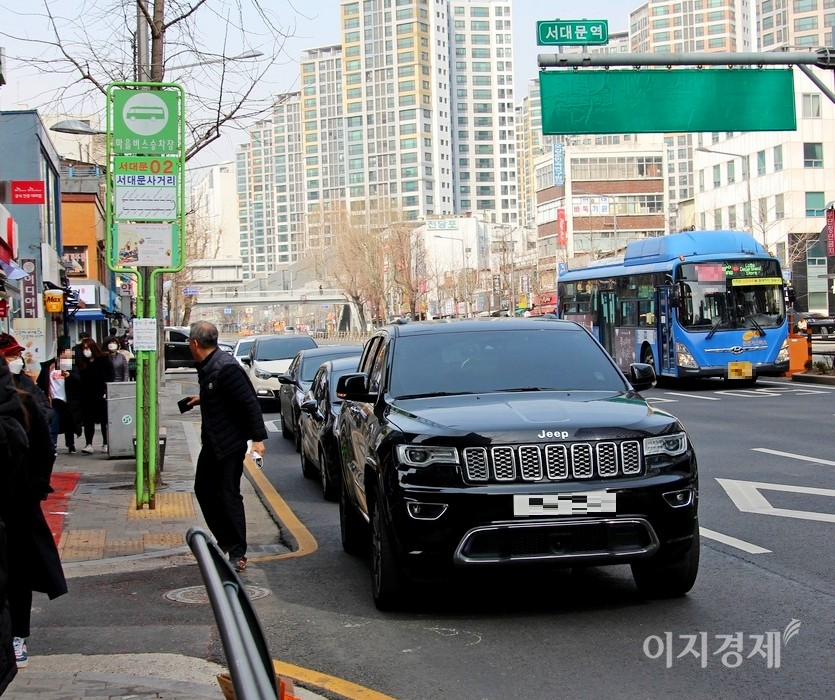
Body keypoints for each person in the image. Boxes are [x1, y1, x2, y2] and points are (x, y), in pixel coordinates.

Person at [0, 354, 68, 671]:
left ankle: (18, 636)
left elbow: (44, 447)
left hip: (16, 505)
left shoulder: (23, 402)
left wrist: (36, 488)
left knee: (17, 572)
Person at [186, 321, 267, 573]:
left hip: (229, 443)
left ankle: (238, 551)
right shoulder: (211, 366)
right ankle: (226, 540)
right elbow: (222, 393)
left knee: (228, 494)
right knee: (204, 489)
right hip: (214, 441)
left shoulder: (226, 367)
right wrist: (202, 398)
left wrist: (258, 440)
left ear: (195, 344)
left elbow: (249, 403)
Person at [37, 337, 83, 454]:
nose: (68, 358)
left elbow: (79, 381)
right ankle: (53, 444)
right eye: (65, 355)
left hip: (68, 400)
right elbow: (42, 382)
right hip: (54, 400)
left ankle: (70, 444)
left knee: (69, 423)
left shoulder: (71, 367)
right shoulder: (49, 368)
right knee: (54, 423)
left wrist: (69, 375)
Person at [77, 337, 114, 454]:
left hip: (101, 394)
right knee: (88, 421)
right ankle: (88, 444)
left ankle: (105, 443)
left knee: (104, 421)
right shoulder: (83, 362)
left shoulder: (103, 359)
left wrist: (106, 390)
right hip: (87, 396)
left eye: (87, 348)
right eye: (84, 349)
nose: (85, 351)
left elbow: (111, 375)